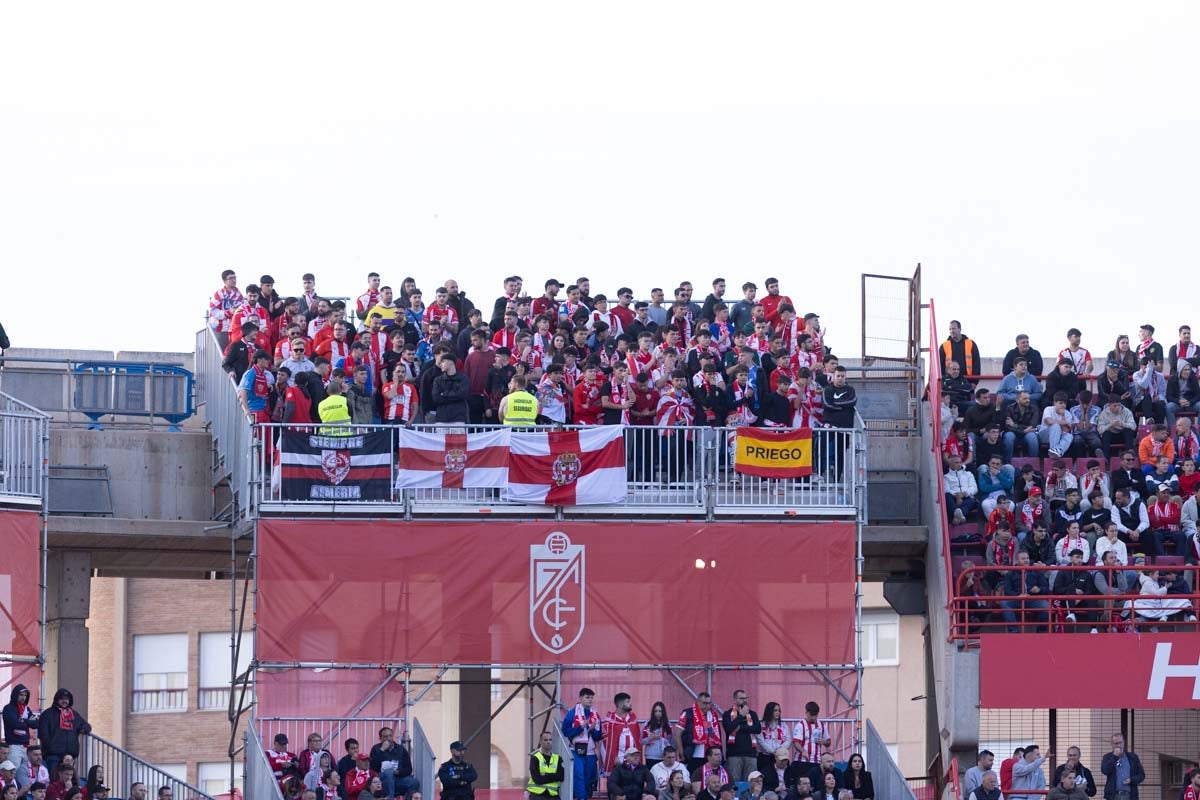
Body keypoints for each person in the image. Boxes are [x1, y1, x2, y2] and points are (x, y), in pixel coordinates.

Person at [36, 690, 89, 775]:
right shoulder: (48, 714)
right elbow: (43, 733)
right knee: (54, 779)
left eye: (67, 699)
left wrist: (83, 729)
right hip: (53, 755)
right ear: (57, 700)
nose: (64, 701)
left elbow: (86, 726)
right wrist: (49, 746)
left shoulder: (73, 714)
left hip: (69, 755)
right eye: (61, 699)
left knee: (68, 780)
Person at [563, 689, 603, 800]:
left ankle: (585, 796)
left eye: (591, 698)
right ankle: (581, 798)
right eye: (587, 697)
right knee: (579, 776)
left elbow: (598, 736)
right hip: (576, 751)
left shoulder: (595, 715)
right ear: (580, 698)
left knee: (588, 779)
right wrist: (580, 727)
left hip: (590, 752)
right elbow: (565, 731)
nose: (590, 700)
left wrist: (592, 730)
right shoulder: (572, 713)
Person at [720, 689, 760, 783]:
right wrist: (741, 715)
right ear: (735, 700)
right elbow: (729, 729)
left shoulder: (752, 714)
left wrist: (740, 728)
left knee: (751, 783)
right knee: (734, 782)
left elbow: (757, 729)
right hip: (734, 754)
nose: (744, 700)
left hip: (750, 754)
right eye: (741, 698)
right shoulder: (727, 714)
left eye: (746, 698)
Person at [602, 693, 643, 778]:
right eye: (627, 702)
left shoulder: (633, 719)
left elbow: (638, 740)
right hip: (618, 761)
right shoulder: (610, 720)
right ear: (620, 704)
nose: (630, 704)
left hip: (633, 761)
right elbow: (607, 743)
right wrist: (614, 757)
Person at [371, 726, 418, 800]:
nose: (388, 738)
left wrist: (398, 772)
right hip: (382, 780)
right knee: (388, 773)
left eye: (390, 736)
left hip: (399, 779)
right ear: (380, 739)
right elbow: (373, 767)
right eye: (385, 736)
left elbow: (408, 769)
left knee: (414, 782)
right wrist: (382, 750)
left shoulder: (401, 749)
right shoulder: (376, 749)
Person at [1099, 733, 1144, 800]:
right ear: (1112, 744)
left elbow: (1141, 775)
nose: (1119, 745)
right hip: (1113, 796)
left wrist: (1132, 780)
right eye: (1116, 743)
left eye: (1120, 742)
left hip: (1130, 795)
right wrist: (1114, 756)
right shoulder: (1107, 757)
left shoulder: (1133, 757)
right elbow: (1105, 770)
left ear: (1124, 742)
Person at [2, 685, 37, 769]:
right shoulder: (8, 708)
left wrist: (23, 721)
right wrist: (28, 722)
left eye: (25, 695)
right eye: (21, 695)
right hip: (14, 746)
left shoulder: (26, 709)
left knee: (26, 771)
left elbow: (35, 724)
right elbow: (15, 724)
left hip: (25, 745)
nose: (23, 697)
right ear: (15, 695)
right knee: (13, 771)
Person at [527, 731, 564, 800]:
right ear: (540, 742)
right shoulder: (535, 758)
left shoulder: (558, 758)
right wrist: (553, 776)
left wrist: (545, 775)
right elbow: (537, 779)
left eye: (550, 740)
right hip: (537, 794)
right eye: (545, 740)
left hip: (553, 795)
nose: (548, 742)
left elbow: (561, 777)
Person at [754, 704, 789, 776]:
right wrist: (773, 751)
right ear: (769, 711)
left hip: (780, 756)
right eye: (775, 710)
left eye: (779, 710)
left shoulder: (784, 725)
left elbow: (788, 739)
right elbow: (761, 741)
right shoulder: (761, 725)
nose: (778, 712)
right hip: (765, 757)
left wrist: (780, 750)